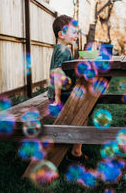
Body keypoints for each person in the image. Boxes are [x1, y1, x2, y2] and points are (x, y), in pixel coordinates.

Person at [47, 14, 88, 163]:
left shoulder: (61, 48)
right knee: (85, 111)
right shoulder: (64, 50)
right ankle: (75, 153)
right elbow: (57, 74)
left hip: (59, 92)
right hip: (60, 94)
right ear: (61, 34)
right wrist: (57, 98)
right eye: (74, 32)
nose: (77, 35)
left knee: (85, 106)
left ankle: (75, 149)